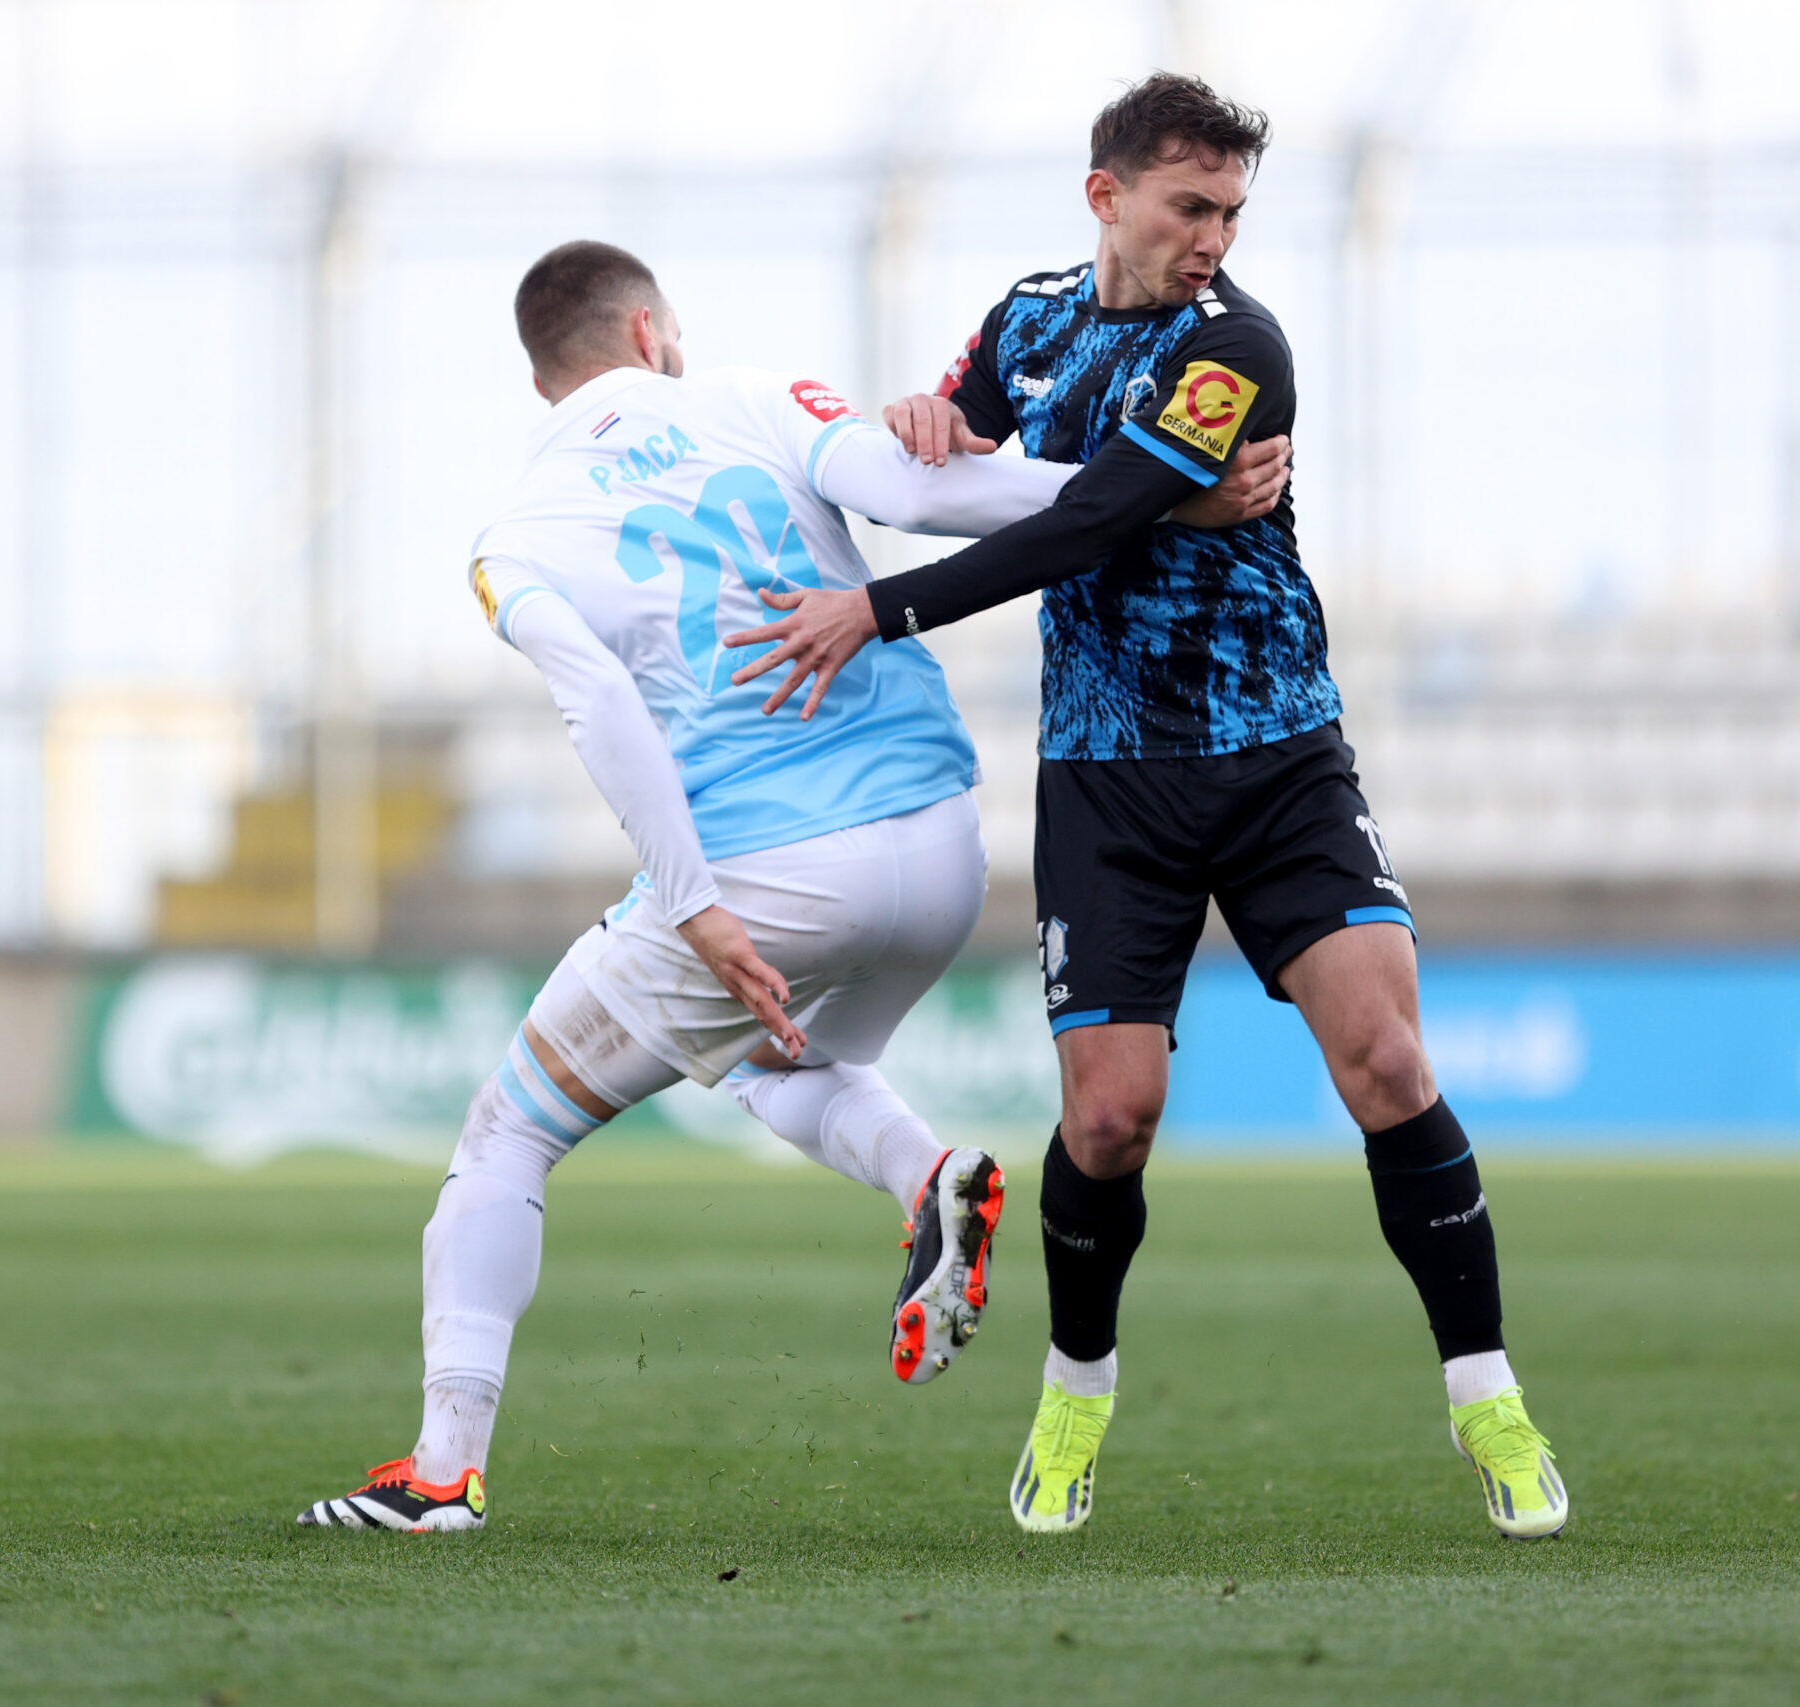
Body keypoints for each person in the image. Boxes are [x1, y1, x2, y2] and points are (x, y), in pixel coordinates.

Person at [297, 238, 1287, 1532]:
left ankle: (438, 1476)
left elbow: (600, 703)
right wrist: (1162, 491)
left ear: (549, 378)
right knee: (773, 1060)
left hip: (770, 873)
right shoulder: (759, 398)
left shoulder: (516, 535)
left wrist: (694, 902)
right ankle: (929, 1176)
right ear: (652, 333)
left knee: (512, 1134)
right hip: (937, 842)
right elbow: (932, 498)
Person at [725, 74, 1569, 1541]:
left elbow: (1088, 520)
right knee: (1110, 1122)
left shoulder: (1238, 346)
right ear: (1107, 195)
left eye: (1233, 211)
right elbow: (967, 441)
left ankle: (1488, 1401)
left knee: (1384, 1060)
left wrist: (878, 610)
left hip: (1279, 756)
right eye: (1191, 207)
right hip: (1110, 782)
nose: (1214, 237)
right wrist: (935, 412)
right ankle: (1075, 1392)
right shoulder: (1031, 313)